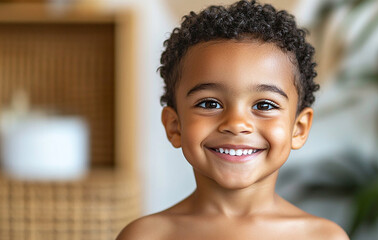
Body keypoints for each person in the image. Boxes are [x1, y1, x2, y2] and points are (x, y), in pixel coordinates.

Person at [117, 0, 349, 239]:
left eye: (264, 105)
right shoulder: (145, 236)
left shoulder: (323, 237)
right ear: (174, 126)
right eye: (209, 104)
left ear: (298, 129)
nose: (236, 124)